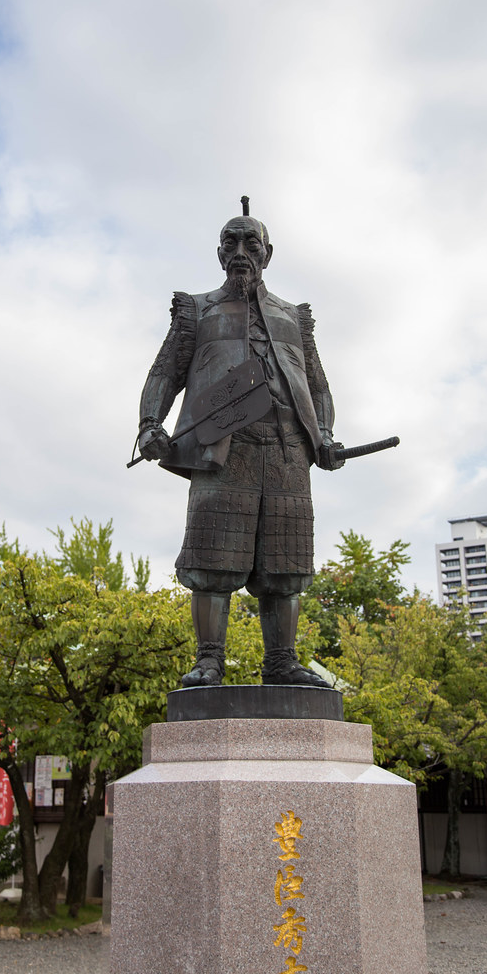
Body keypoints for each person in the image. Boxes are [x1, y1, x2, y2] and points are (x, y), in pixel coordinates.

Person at [136, 202, 344, 688]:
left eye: (252, 243)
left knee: (285, 565)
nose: (241, 252)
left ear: (268, 254)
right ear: (218, 253)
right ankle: (209, 660)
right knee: (212, 560)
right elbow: (164, 372)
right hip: (223, 452)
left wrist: (326, 436)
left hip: (288, 453)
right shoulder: (197, 310)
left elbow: (317, 386)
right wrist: (149, 424)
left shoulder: (294, 317)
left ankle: (282, 662)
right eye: (230, 242)